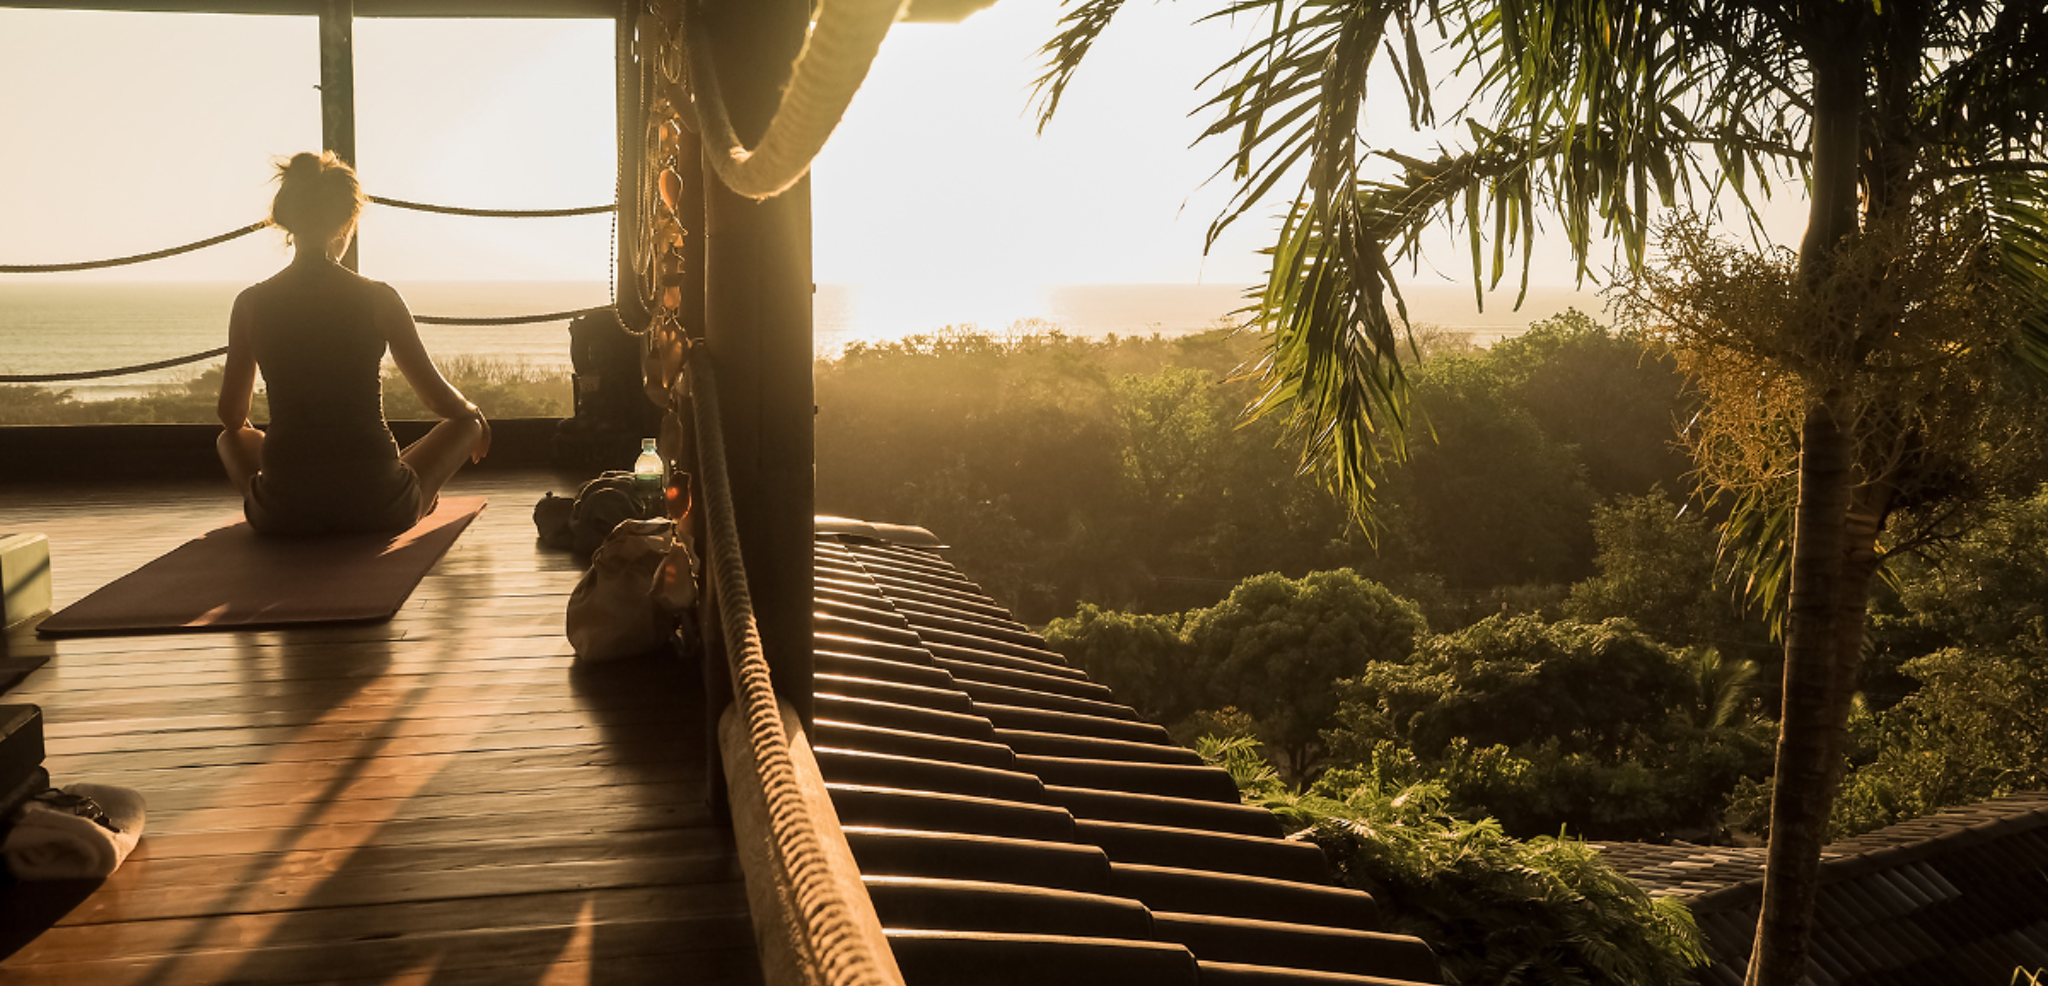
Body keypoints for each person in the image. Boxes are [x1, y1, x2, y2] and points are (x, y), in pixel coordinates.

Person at [216, 152, 490, 535]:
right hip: (379, 507)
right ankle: (414, 495)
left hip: (282, 515)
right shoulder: (379, 298)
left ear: (288, 220)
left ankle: (273, 495)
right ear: (347, 221)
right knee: (467, 426)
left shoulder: (251, 303)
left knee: (232, 440)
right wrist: (475, 413)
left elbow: (231, 416)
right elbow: (439, 401)